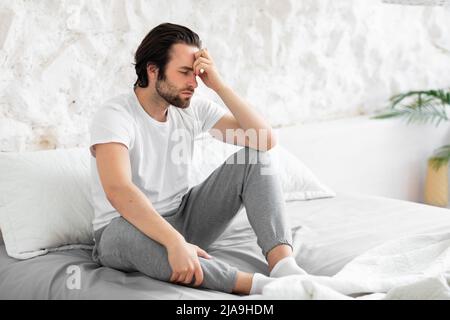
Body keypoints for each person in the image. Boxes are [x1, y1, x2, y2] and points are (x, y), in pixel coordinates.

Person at [89, 22, 306, 295]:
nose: (193, 83)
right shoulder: (115, 115)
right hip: (127, 229)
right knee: (119, 234)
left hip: (185, 218)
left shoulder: (191, 107)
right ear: (153, 70)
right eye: (184, 73)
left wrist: (219, 85)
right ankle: (265, 287)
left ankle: (285, 268)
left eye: (196, 73)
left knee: (255, 159)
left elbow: (264, 140)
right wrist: (174, 242)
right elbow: (118, 190)